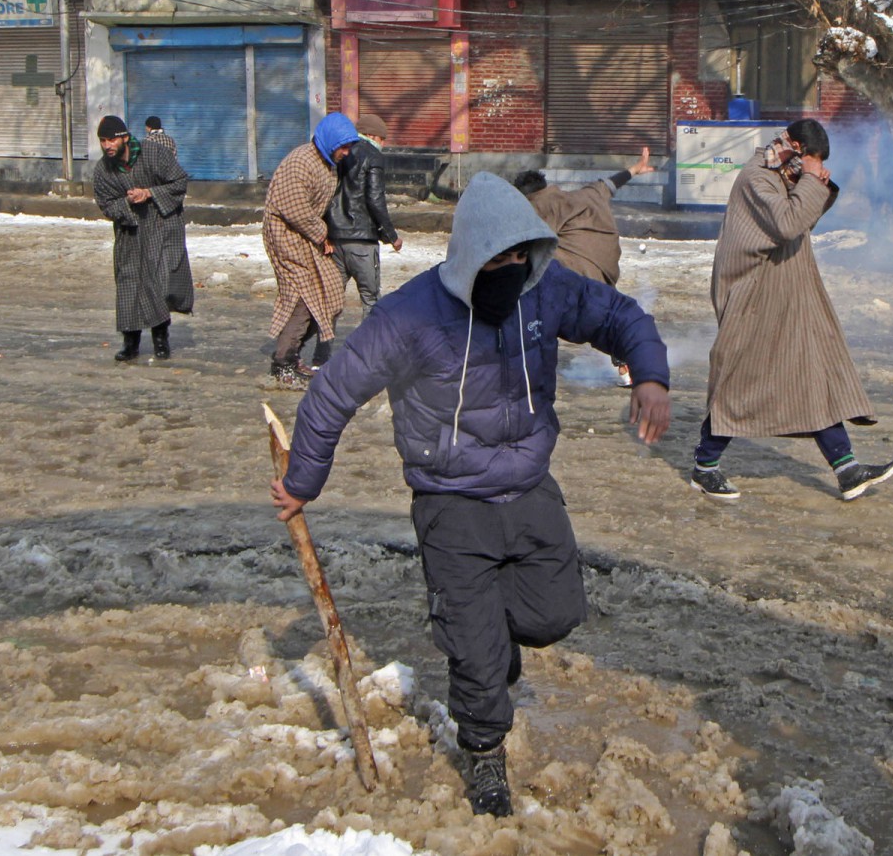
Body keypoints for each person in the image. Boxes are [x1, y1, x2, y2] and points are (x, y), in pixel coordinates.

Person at [270, 172, 671, 818]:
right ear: (471, 257)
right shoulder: (411, 316)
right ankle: (486, 756)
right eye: (500, 260)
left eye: (522, 257)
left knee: (555, 613)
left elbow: (617, 314)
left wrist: (650, 375)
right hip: (450, 500)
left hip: (530, 485)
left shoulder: (544, 291)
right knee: (481, 659)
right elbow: (334, 393)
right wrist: (301, 482)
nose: (513, 270)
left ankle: (480, 631)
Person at [690, 118, 893, 503]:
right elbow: (787, 225)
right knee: (741, 381)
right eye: (813, 161)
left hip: (787, 293)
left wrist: (815, 185)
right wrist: (808, 183)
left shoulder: (783, 175)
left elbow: (804, 222)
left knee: (812, 373)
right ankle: (705, 467)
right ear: (797, 149)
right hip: (752, 296)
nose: (813, 169)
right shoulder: (757, 178)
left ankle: (847, 469)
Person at [515, 147, 658, 385]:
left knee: (527, 281)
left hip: (577, 281)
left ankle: (526, 358)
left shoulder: (537, 206)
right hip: (606, 278)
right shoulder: (586, 195)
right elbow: (609, 184)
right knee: (605, 321)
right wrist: (635, 169)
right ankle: (629, 361)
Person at [263, 113, 356, 388]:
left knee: (329, 293)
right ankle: (284, 362)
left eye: (350, 147)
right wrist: (321, 233)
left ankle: (292, 354)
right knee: (304, 297)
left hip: (306, 235)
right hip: (286, 237)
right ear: (330, 141)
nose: (346, 152)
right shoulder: (301, 162)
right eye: (343, 146)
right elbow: (293, 208)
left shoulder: (327, 164)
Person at [91, 114, 194, 362]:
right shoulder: (103, 170)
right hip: (130, 232)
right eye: (103, 141)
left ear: (125, 138)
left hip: (161, 226)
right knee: (128, 284)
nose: (107, 146)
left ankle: (161, 339)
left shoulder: (154, 154)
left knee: (158, 282)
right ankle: (130, 342)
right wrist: (127, 201)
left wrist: (149, 193)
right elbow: (106, 205)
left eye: (112, 140)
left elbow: (179, 182)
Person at [313, 112, 402, 367]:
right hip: (362, 241)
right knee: (370, 299)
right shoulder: (373, 156)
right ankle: (367, 358)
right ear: (373, 136)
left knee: (330, 299)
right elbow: (375, 199)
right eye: (382, 139)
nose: (383, 144)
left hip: (334, 239)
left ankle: (321, 356)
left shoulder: (338, 152)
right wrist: (391, 235)